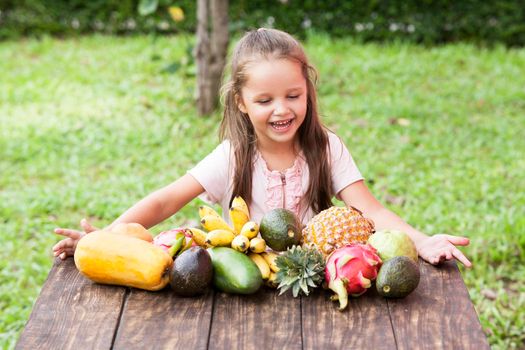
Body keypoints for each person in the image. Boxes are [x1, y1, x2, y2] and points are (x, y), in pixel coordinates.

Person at [53, 28, 472, 268]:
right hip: (246, 281)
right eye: (264, 100)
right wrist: (106, 239)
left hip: (315, 280)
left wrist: (422, 240)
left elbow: (372, 210)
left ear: (308, 90)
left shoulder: (326, 147)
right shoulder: (234, 155)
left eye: (293, 95)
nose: (281, 110)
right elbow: (165, 200)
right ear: (241, 101)